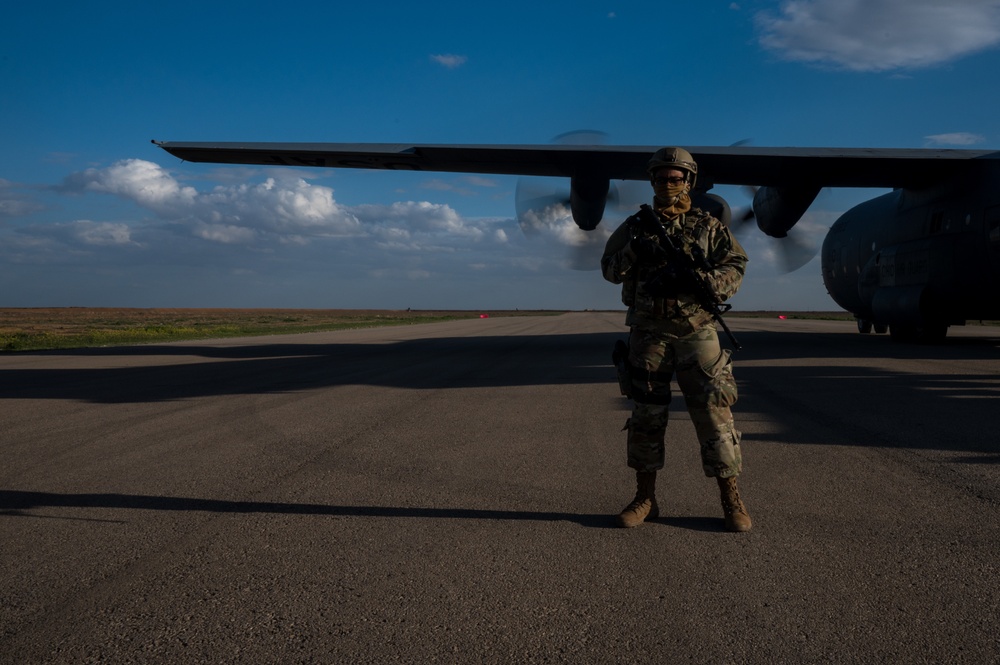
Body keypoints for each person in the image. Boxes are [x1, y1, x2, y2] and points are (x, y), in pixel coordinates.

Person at [600, 147, 752, 532]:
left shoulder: (708, 226)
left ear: (689, 181)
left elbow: (736, 264)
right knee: (647, 419)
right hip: (649, 333)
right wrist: (636, 249)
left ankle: (731, 498)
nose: (669, 185)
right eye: (662, 178)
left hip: (697, 332)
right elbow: (609, 270)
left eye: (676, 178)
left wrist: (706, 282)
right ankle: (645, 498)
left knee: (716, 417)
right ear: (652, 181)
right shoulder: (636, 226)